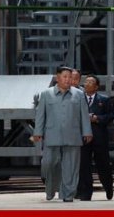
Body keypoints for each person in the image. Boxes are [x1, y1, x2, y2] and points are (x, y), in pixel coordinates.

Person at [34, 66, 93, 202]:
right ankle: (50, 188)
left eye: (70, 77)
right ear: (58, 77)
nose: (68, 80)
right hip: (52, 135)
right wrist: (38, 132)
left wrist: (87, 131)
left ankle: (68, 194)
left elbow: (84, 114)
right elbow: (40, 115)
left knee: (71, 167)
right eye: (65, 77)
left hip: (73, 135)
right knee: (48, 163)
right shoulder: (46, 94)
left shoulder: (78, 94)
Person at [76, 74, 114, 201]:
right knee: (84, 166)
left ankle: (108, 186)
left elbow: (110, 116)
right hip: (83, 138)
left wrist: (97, 118)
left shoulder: (104, 99)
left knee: (103, 165)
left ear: (96, 86)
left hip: (99, 138)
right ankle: (86, 192)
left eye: (90, 82)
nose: (86, 84)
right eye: (85, 82)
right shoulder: (79, 99)